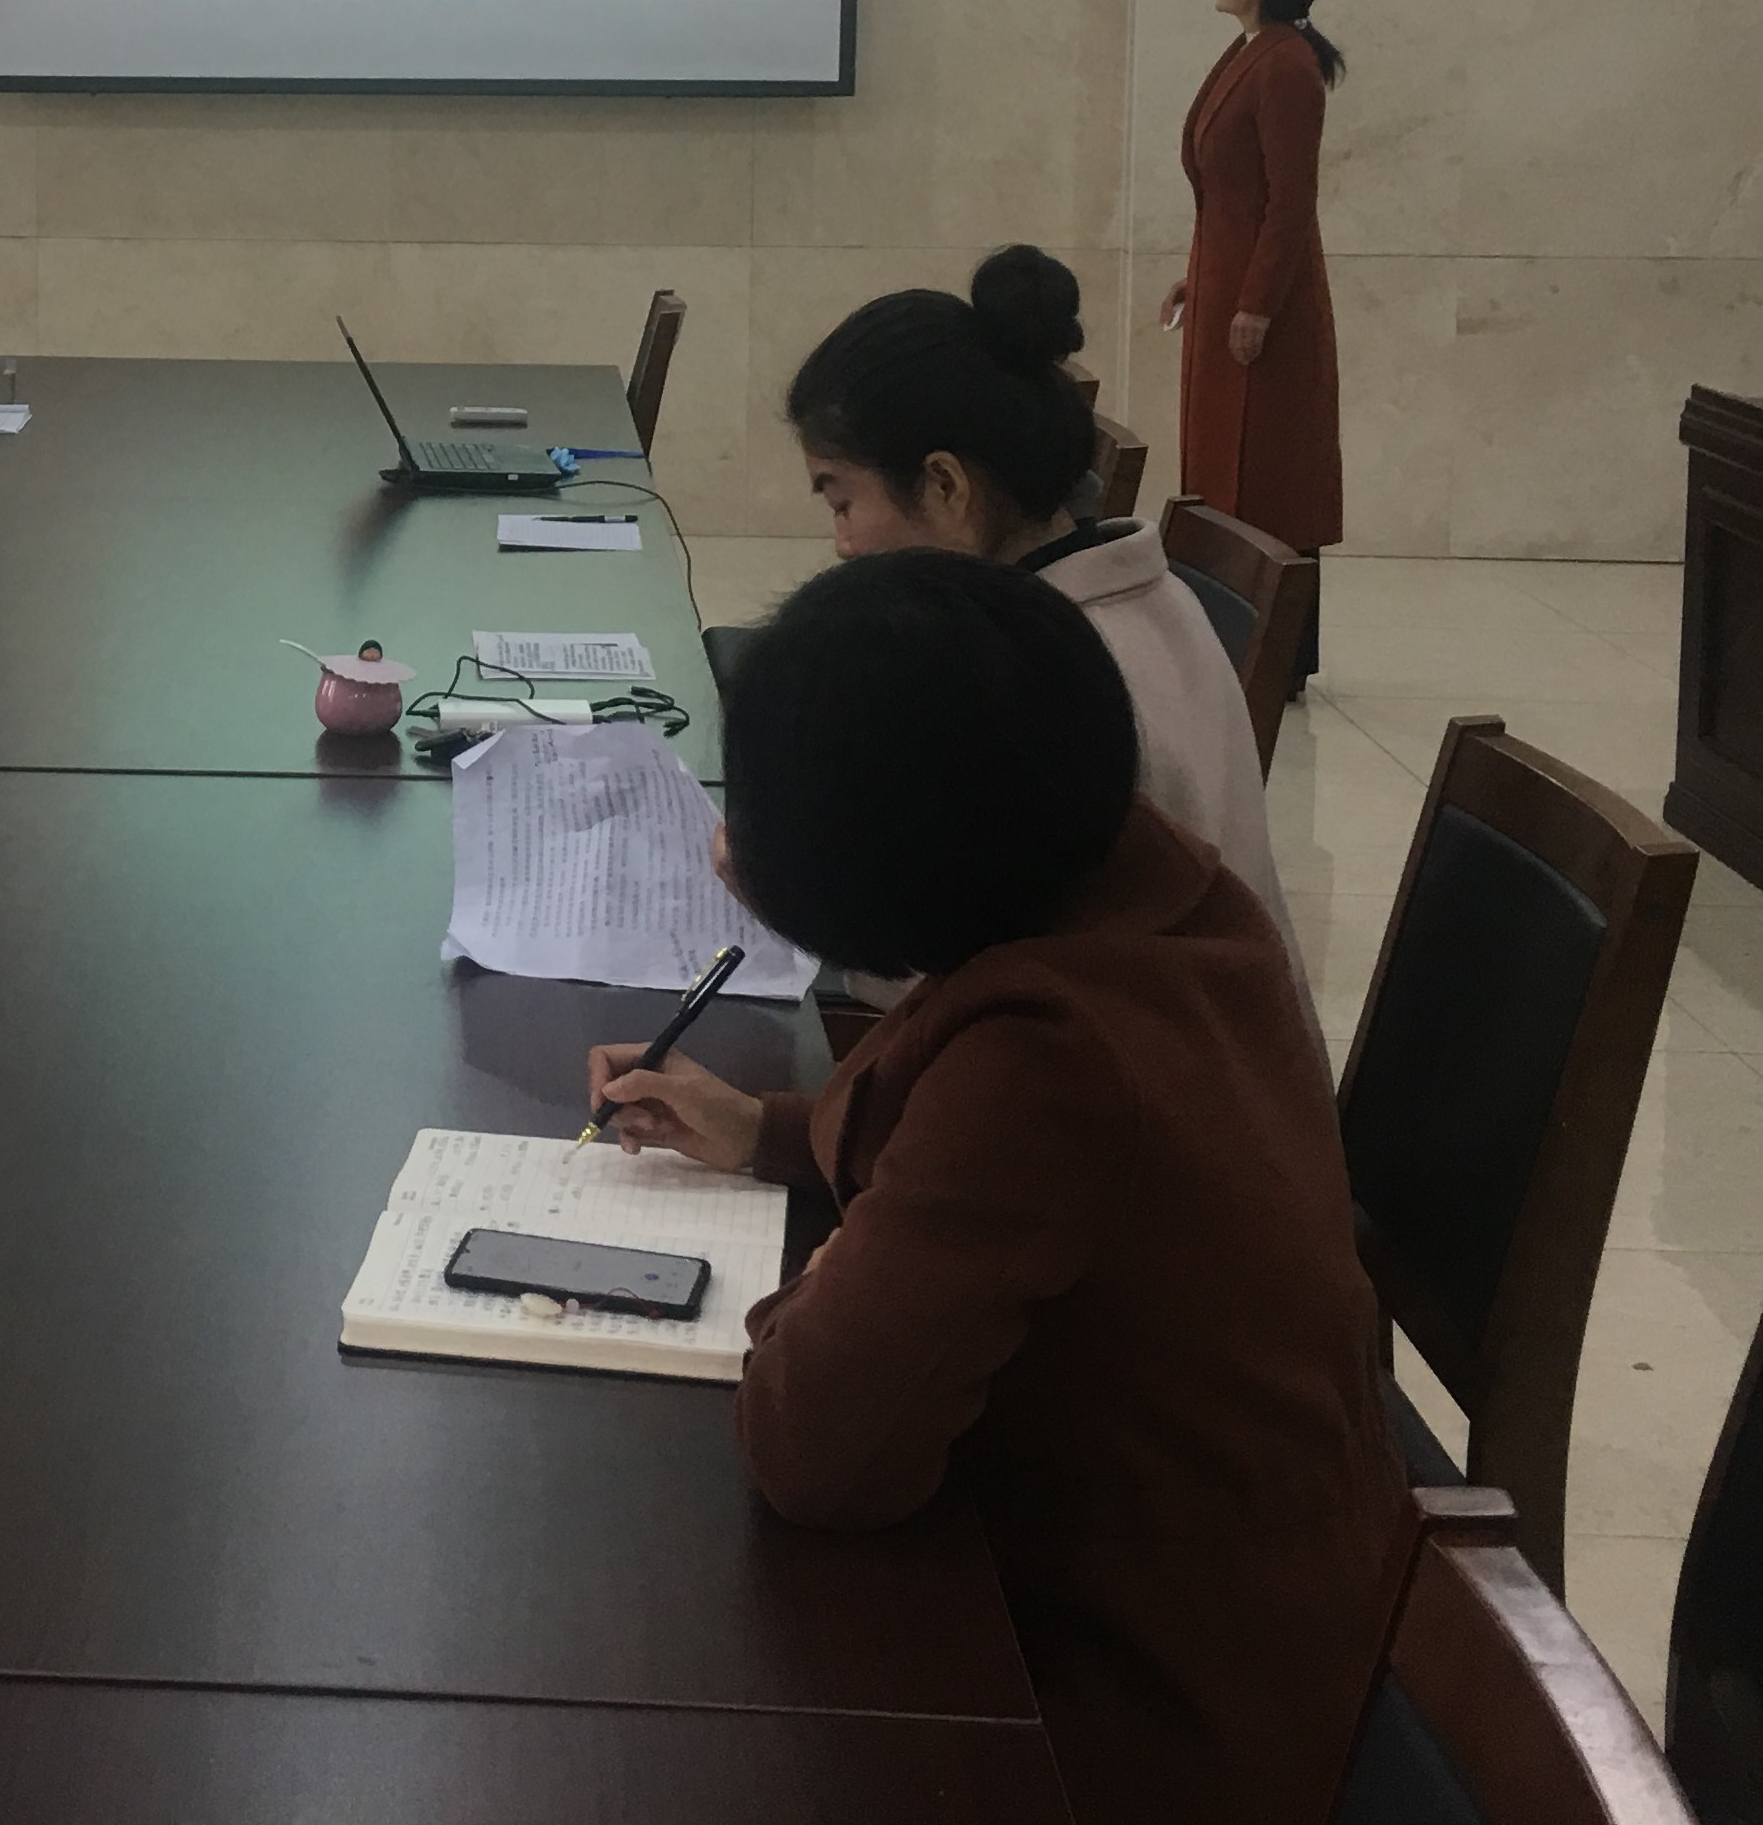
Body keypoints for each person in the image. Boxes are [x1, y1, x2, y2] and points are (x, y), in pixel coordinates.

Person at [591, 554, 1399, 1825]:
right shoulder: (1151, 887)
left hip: (1145, 1715)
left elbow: (818, 1453)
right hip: (1278, 1593)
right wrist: (765, 1132)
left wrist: (818, 1292)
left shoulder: (1045, 1059)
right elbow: (973, 1157)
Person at [785, 243, 1292, 976]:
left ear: (944, 486)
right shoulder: (1144, 593)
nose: (842, 545)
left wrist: (772, 894)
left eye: (842, 503)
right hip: (1208, 1030)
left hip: (1133, 1041)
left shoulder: (1040, 685)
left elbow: (945, 978)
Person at [1161, 0, 1343, 685]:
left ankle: (1276, 653)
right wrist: (1200, 276)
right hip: (1225, 290)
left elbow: (1288, 202)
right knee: (1220, 466)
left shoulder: (1285, 65)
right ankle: (1230, 635)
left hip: (1263, 308)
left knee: (1266, 474)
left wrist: (1256, 301)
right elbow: (1230, 197)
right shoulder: (1253, 51)